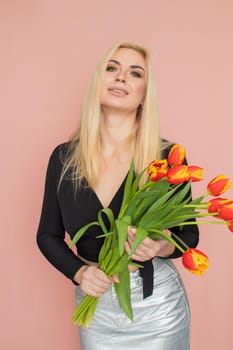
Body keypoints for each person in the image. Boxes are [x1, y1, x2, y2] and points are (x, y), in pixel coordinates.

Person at [37, 42, 199, 350]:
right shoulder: (64, 158)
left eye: (134, 73)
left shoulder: (166, 159)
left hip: (157, 307)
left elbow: (189, 235)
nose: (121, 77)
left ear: (143, 95)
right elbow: (47, 234)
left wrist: (161, 245)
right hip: (95, 307)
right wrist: (80, 272)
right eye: (112, 68)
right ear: (99, 82)